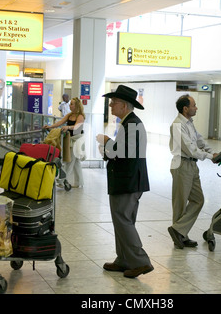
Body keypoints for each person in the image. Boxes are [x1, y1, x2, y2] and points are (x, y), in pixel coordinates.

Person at [96, 85, 153, 279]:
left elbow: (123, 152)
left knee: (123, 221)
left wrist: (106, 142)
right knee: (121, 221)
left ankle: (140, 261)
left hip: (127, 181)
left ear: (124, 105)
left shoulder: (132, 125)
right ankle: (123, 259)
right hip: (126, 179)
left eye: (114, 102)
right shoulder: (128, 123)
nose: (111, 105)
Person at [168, 94, 219, 249]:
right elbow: (190, 149)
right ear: (185, 108)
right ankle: (181, 235)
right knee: (181, 203)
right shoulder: (177, 125)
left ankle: (178, 230)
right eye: (194, 105)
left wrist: (213, 152)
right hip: (182, 165)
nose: (196, 108)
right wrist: (210, 157)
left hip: (192, 166)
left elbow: (199, 141)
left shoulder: (189, 123)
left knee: (198, 199)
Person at [43, 97, 85, 188]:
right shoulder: (69, 115)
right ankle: (79, 182)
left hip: (77, 140)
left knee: (70, 161)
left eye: (72, 104)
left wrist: (68, 127)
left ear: (76, 105)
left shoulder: (80, 116)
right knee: (75, 162)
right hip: (70, 139)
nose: (70, 106)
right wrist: (50, 126)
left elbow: (76, 127)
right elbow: (60, 122)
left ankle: (62, 180)